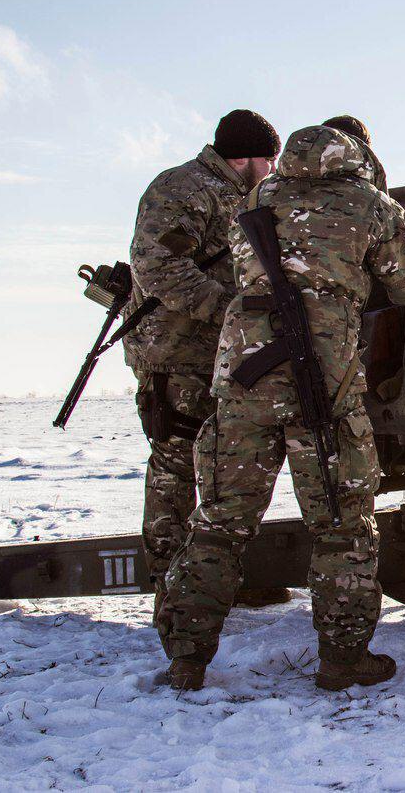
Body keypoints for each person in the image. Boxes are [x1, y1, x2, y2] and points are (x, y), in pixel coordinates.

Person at [159, 123, 405, 691]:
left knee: (217, 524)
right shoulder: (369, 204)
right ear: (357, 157)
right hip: (323, 389)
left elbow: (245, 265)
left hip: (243, 380)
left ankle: (186, 659)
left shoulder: (259, 197)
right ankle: (342, 659)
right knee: (342, 528)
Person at [122, 109, 281, 653]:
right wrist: (228, 313)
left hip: (216, 355)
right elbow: (158, 267)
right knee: (173, 468)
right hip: (176, 354)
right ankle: (171, 593)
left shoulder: (238, 194)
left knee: (216, 465)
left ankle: (206, 584)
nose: (274, 167)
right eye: (269, 157)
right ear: (245, 156)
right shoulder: (183, 188)